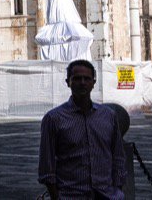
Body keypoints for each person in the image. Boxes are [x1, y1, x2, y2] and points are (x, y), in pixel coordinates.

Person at [38, 59, 126, 200]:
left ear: (93, 82)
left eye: (87, 79)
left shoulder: (108, 116)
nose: (82, 83)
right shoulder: (53, 119)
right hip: (71, 196)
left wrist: (117, 190)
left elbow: (118, 157)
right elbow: (47, 166)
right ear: (68, 82)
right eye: (77, 78)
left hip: (106, 195)